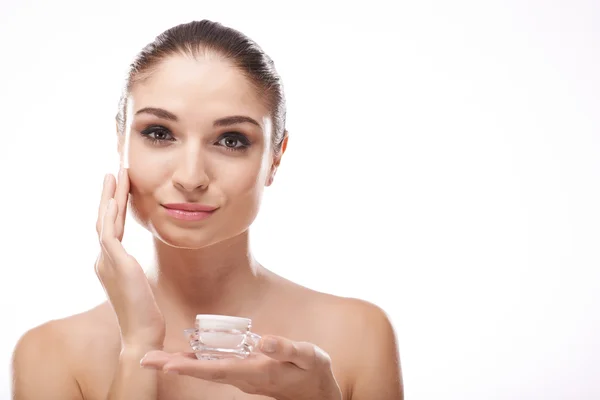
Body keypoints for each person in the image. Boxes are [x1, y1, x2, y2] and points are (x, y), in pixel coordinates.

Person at [11, 19, 403, 400]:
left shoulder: (359, 337)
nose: (191, 177)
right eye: (159, 133)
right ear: (121, 141)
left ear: (275, 159)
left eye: (231, 140)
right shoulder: (49, 355)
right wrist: (137, 347)